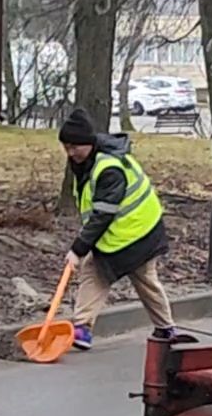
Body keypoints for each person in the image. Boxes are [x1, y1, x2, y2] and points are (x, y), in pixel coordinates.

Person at [57, 108, 176, 350]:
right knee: (99, 272)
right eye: (66, 147)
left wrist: (78, 249)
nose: (70, 153)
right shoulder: (88, 161)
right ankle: (83, 327)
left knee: (140, 277)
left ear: (88, 143)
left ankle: (165, 328)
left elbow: (103, 215)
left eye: (74, 147)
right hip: (122, 232)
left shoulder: (109, 168)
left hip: (138, 233)